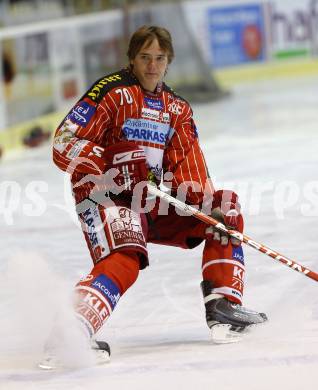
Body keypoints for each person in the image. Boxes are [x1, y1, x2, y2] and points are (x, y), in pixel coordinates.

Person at [52, 25, 267, 360]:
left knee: (225, 207)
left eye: (160, 58)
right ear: (132, 60)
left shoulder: (176, 109)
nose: (152, 65)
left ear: (169, 62)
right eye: (145, 57)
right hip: (102, 197)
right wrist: (107, 161)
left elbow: (188, 163)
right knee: (125, 258)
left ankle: (224, 305)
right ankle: (72, 329)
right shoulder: (110, 91)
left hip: (150, 201)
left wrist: (206, 206)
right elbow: (63, 142)